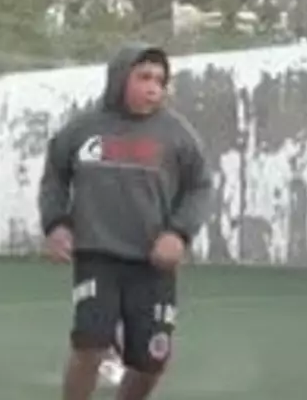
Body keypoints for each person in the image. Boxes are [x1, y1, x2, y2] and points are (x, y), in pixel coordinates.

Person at [38, 43, 212, 400]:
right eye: (144, 77)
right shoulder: (83, 129)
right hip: (96, 255)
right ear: (120, 79)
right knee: (90, 344)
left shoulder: (178, 134)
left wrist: (179, 233)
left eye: (160, 80)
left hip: (152, 262)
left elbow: (199, 186)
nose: (153, 88)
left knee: (151, 360)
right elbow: (55, 176)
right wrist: (55, 224)